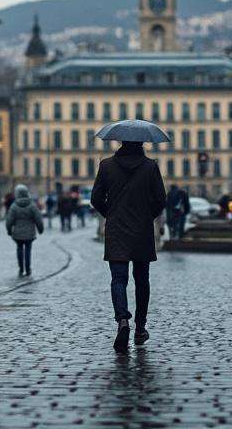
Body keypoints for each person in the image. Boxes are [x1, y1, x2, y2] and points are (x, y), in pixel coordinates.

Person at [91, 140, 167, 352]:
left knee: (118, 279)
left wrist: (111, 214)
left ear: (121, 142)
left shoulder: (106, 165)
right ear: (141, 143)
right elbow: (161, 199)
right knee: (142, 281)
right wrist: (146, 216)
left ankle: (122, 320)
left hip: (116, 230)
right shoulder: (150, 166)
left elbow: (96, 198)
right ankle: (140, 328)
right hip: (142, 230)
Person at [5, 184, 46, 276]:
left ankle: (21, 269)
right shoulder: (32, 205)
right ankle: (28, 269)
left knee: (19, 249)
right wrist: (40, 229)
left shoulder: (14, 206)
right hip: (30, 233)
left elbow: (9, 220)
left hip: (17, 233)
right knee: (28, 250)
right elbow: (38, 218)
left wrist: (9, 231)